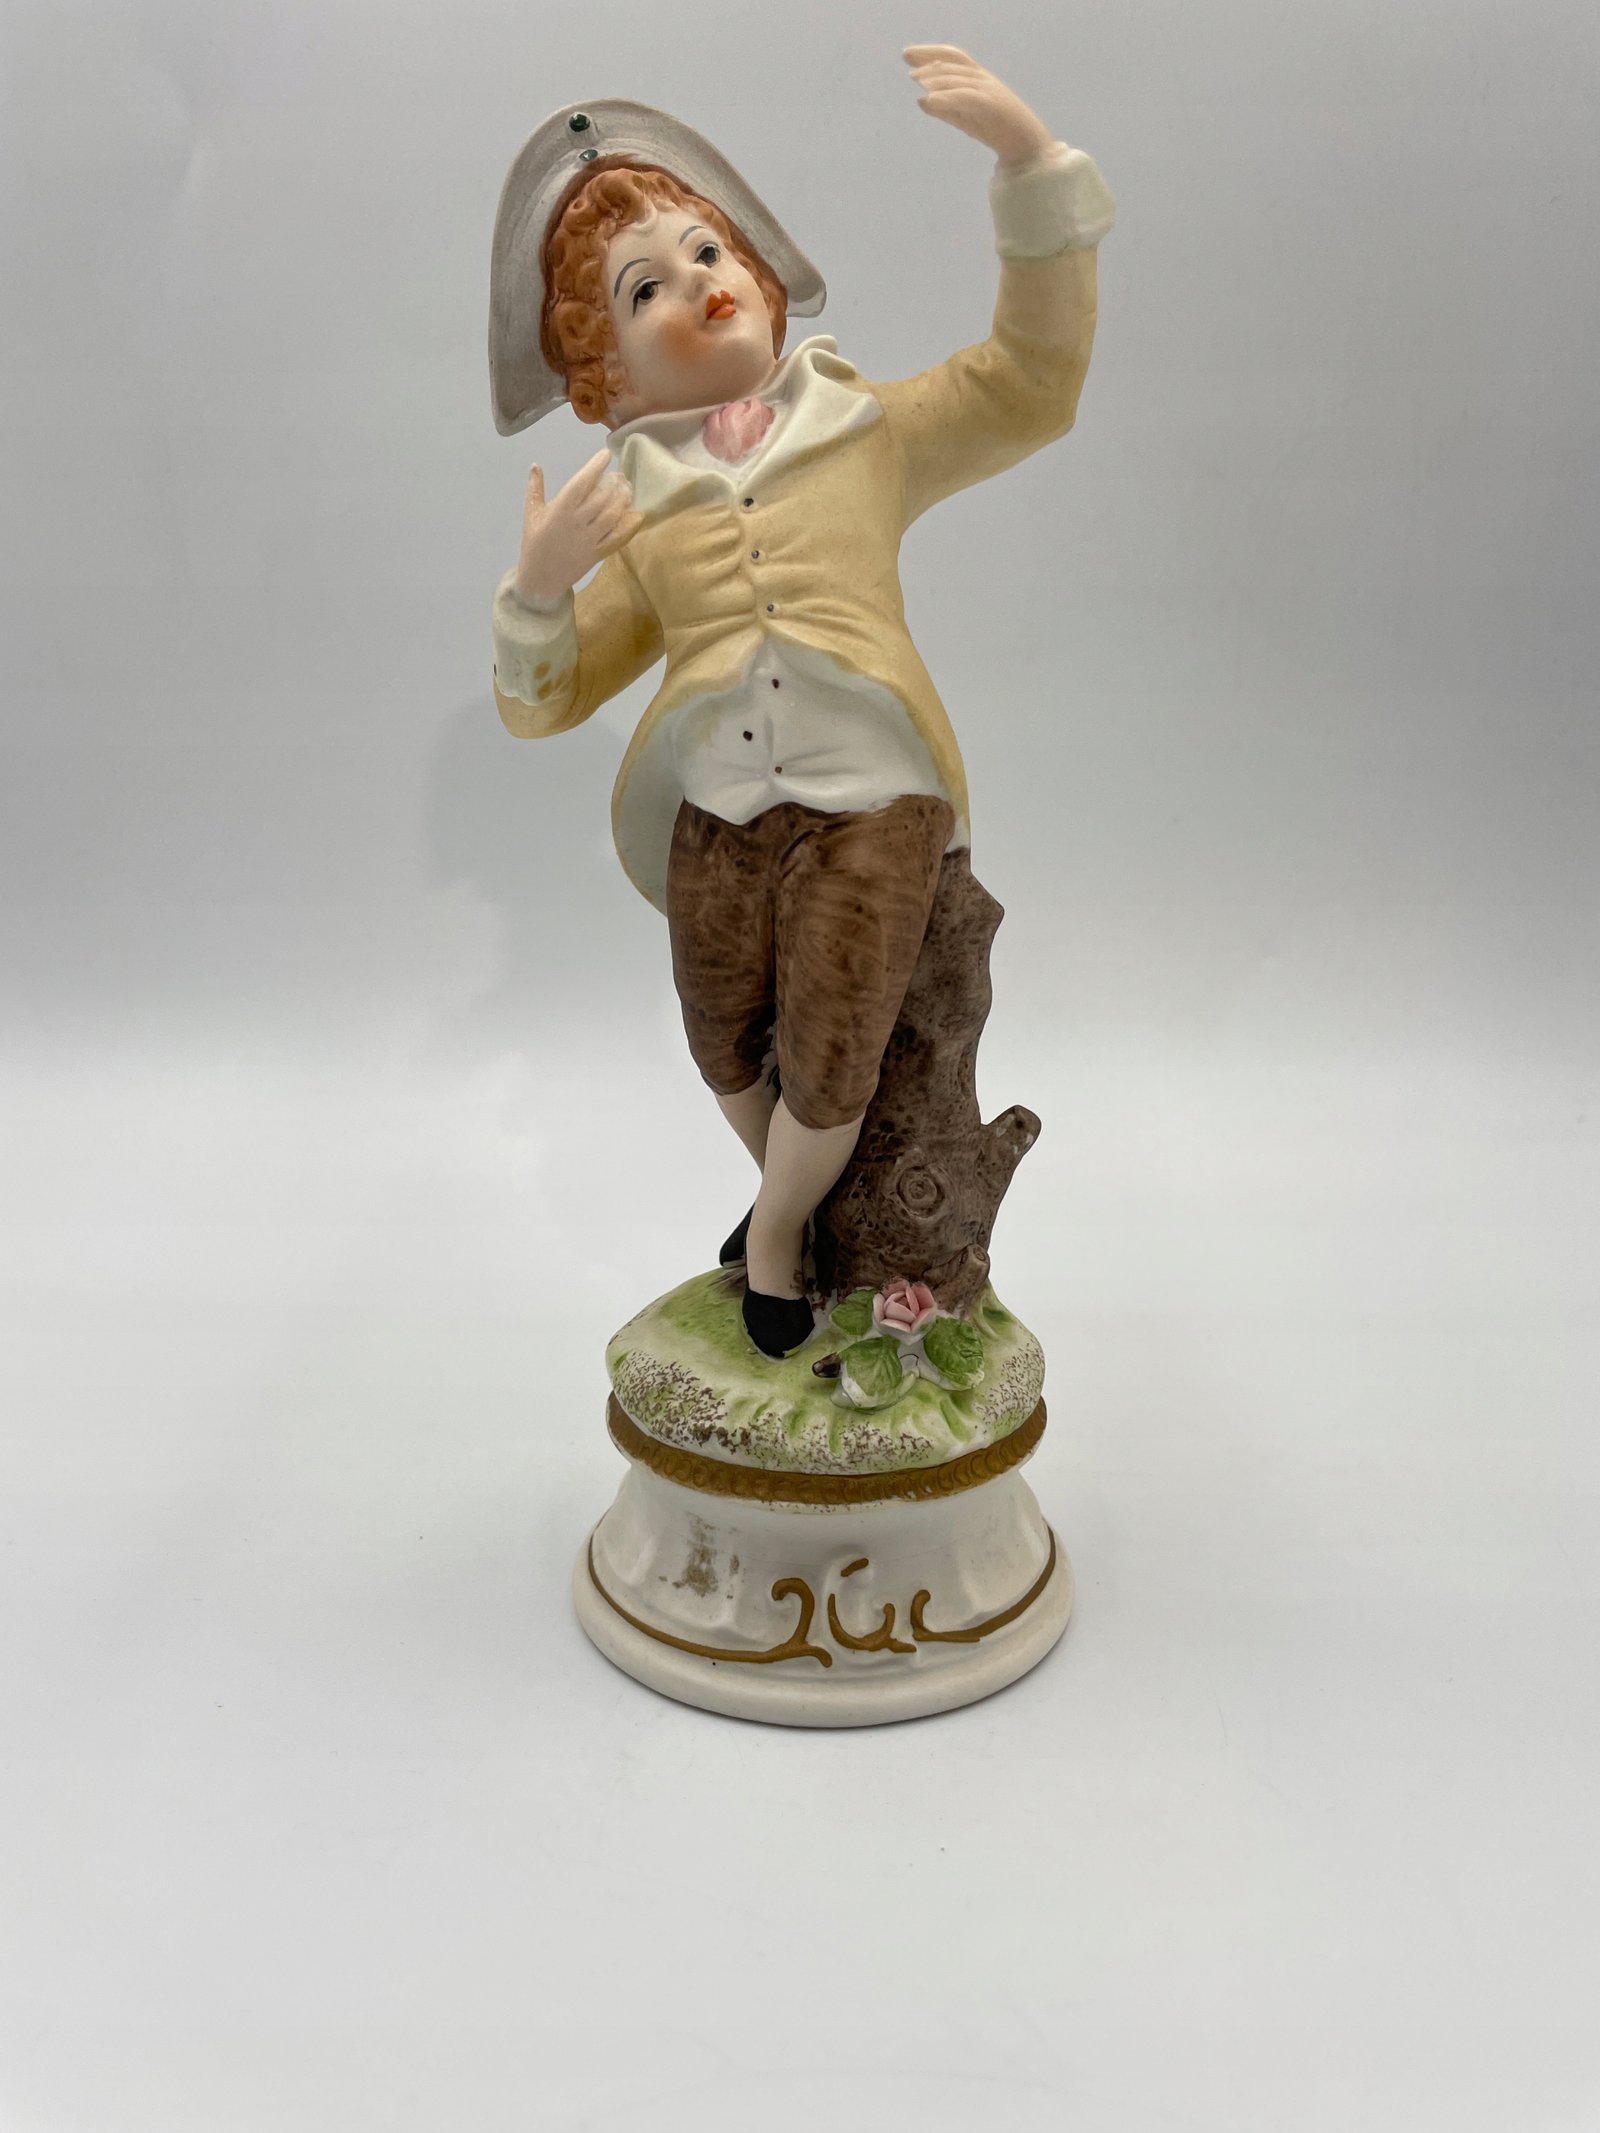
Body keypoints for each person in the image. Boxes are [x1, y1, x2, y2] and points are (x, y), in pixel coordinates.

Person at [489, 45, 1114, 1356]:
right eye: (645, 288)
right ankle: (801, 1198)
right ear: (611, 378)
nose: (695, 284)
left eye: (705, 250)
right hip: (717, 811)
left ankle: (777, 1237)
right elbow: (545, 700)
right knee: (723, 1038)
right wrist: (540, 592)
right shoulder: (641, 509)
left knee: (835, 1048)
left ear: (763, 277)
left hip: (871, 802)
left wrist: (1032, 171)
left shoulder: (866, 431)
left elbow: (1030, 384)